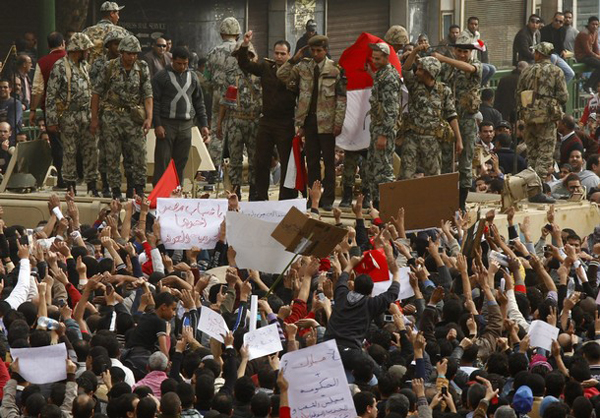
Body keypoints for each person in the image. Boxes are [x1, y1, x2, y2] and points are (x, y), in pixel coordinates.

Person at [277, 35, 347, 211]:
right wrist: (294, 59)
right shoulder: (303, 67)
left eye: (319, 51)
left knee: (329, 163)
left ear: (325, 50)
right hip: (309, 121)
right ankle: (312, 198)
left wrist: (338, 122)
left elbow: (341, 99)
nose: (315, 54)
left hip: (327, 122)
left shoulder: (335, 70)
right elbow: (281, 75)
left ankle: (328, 199)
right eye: (313, 51)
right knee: (312, 162)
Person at [236, 31, 298, 202]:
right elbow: (244, 64)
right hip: (266, 121)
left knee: (286, 162)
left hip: (286, 122)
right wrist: (245, 45)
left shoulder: (295, 71)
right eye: (276, 53)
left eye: (282, 54)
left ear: (289, 55)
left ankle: (286, 197)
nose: (278, 57)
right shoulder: (265, 68)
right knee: (261, 160)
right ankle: (260, 196)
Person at [91, 35, 153, 200]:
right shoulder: (109, 67)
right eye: (128, 54)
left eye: (134, 54)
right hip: (112, 117)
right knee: (112, 155)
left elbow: (147, 94)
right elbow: (96, 93)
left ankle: (138, 188)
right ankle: (116, 190)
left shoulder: (142, 68)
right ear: (121, 53)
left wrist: (149, 118)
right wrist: (94, 118)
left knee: (138, 154)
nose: (132, 57)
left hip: (134, 118)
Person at [45, 33, 99, 196]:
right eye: (86, 50)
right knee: (69, 151)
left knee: (91, 150)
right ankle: (70, 184)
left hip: (86, 114)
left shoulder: (84, 66)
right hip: (68, 115)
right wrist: (52, 120)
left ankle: (92, 184)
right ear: (78, 50)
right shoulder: (60, 66)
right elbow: (51, 95)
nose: (88, 53)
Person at [434, 32, 482, 208]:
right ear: (454, 50)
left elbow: (468, 69)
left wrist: (444, 59)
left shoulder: (476, 64)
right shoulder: (447, 69)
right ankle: (446, 200)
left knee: (465, 161)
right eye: (460, 51)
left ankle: (461, 203)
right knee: (446, 159)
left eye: (466, 52)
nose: (463, 54)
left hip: (467, 119)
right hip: (448, 120)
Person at [400, 45, 462, 181]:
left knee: (434, 177)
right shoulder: (414, 85)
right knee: (406, 175)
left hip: (432, 139)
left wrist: (459, 139)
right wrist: (415, 50)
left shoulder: (444, 91)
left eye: (421, 70)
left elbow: (452, 115)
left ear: (430, 73)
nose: (417, 72)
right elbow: (406, 69)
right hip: (412, 137)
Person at [516, 41, 568, 202]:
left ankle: (529, 188)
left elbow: (518, 93)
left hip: (529, 116)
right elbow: (563, 96)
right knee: (545, 154)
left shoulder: (526, 70)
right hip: (547, 118)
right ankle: (535, 191)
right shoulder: (556, 71)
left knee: (531, 154)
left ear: (538, 54)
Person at [152, 46, 209, 187]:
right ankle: (159, 195)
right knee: (162, 161)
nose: (182, 67)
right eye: (179, 63)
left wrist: (204, 125)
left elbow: (199, 102)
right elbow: (155, 102)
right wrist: (157, 124)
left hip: (186, 125)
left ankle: (177, 191)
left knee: (181, 162)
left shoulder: (193, 77)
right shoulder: (161, 77)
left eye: (185, 63)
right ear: (172, 60)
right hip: (167, 124)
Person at [217, 41, 261, 200]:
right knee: (234, 159)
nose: (244, 58)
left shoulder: (259, 73)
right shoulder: (230, 74)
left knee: (255, 158)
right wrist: (219, 124)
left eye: (248, 55)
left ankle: (254, 191)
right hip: (234, 120)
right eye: (240, 55)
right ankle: (235, 191)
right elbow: (224, 100)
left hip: (254, 121)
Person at [363, 42, 401, 209]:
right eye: (373, 57)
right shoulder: (382, 74)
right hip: (377, 127)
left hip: (383, 130)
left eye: (378, 58)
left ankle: (387, 205)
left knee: (384, 170)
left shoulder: (390, 77)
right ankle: (377, 204)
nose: (374, 60)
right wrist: (371, 73)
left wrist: (384, 135)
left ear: (387, 57)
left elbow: (391, 108)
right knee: (373, 167)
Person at [89, 29, 125, 198]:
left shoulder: (127, 63)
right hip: (105, 112)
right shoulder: (99, 64)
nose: (118, 47)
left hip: (123, 115)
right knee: (104, 152)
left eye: (120, 44)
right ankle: (104, 184)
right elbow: (95, 90)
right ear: (108, 46)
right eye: (115, 44)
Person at [205, 17, 241, 184]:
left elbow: (206, 79)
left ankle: (213, 172)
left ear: (221, 34)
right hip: (238, 98)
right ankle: (236, 173)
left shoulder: (213, 52)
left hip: (218, 97)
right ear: (237, 33)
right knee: (236, 133)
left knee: (217, 133)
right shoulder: (243, 50)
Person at [540, 12, 575, 83]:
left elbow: (561, 43)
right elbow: (543, 46)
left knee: (570, 73)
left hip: (557, 55)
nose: (558, 23)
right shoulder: (544, 30)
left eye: (560, 22)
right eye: (556, 20)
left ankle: (558, 89)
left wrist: (563, 50)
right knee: (553, 58)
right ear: (552, 19)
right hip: (546, 54)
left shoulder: (563, 30)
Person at [460, 17, 495, 85]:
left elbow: (481, 45)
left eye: (475, 24)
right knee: (486, 69)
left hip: (475, 60)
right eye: (471, 24)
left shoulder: (477, 34)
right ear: (467, 24)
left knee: (492, 69)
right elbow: (463, 47)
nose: (473, 26)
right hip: (466, 61)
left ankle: (480, 85)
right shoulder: (463, 35)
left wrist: (482, 44)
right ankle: (475, 85)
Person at [575, 16, 600, 91]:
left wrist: (598, 55)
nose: (595, 26)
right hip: (582, 56)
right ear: (588, 24)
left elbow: (596, 48)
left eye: (596, 24)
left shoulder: (595, 33)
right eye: (593, 24)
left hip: (589, 56)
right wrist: (598, 57)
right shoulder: (584, 34)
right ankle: (588, 85)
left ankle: (594, 85)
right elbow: (588, 51)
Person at [0, 79, 22, 145]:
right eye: (0, 87)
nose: (2, 89)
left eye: (5, 87)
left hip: (12, 139)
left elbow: (11, 123)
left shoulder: (16, 103)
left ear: (10, 89)